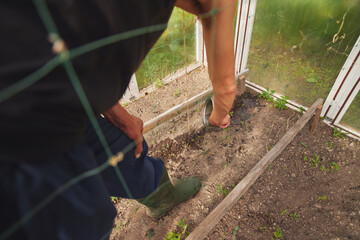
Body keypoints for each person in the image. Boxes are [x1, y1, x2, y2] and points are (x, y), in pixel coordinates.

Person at [0, 0, 237, 239]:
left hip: (59, 99)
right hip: (19, 137)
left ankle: (161, 198)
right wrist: (219, 116)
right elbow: (226, 88)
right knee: (84, 221)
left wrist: (118, 115)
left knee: (122, 145)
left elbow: (70, 59)